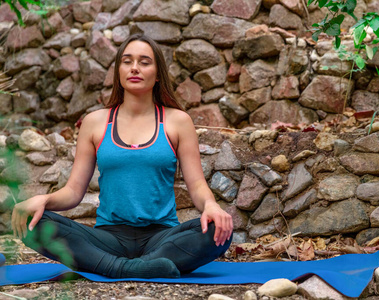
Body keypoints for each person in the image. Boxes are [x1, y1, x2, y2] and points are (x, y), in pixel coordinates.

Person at [11, 34, 233, 279]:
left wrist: (211, 205)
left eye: (144, 62)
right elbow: (74, 191)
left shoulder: (177, 121)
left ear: (158, 74)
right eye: (127, 61)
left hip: (161, 238)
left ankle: (112, 267)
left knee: (219, 229)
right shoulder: (95, 122)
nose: (135, 68)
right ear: (118, 71)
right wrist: (43, 199)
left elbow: (197, 185)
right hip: (108, 238)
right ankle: (140, 267)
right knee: (33, 222)